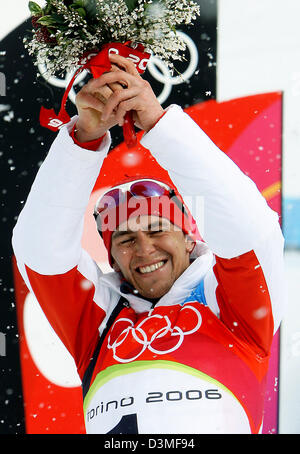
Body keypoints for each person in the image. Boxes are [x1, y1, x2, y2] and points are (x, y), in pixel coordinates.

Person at [12, 53, 285, 434]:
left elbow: (249, 230)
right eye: (124, 238)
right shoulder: (97, 322)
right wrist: (84, 139)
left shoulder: (230, 304)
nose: (143, 248)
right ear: (111, 258)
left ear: (190, 236)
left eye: (157, 229)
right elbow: (40, 253)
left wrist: (158, 124)